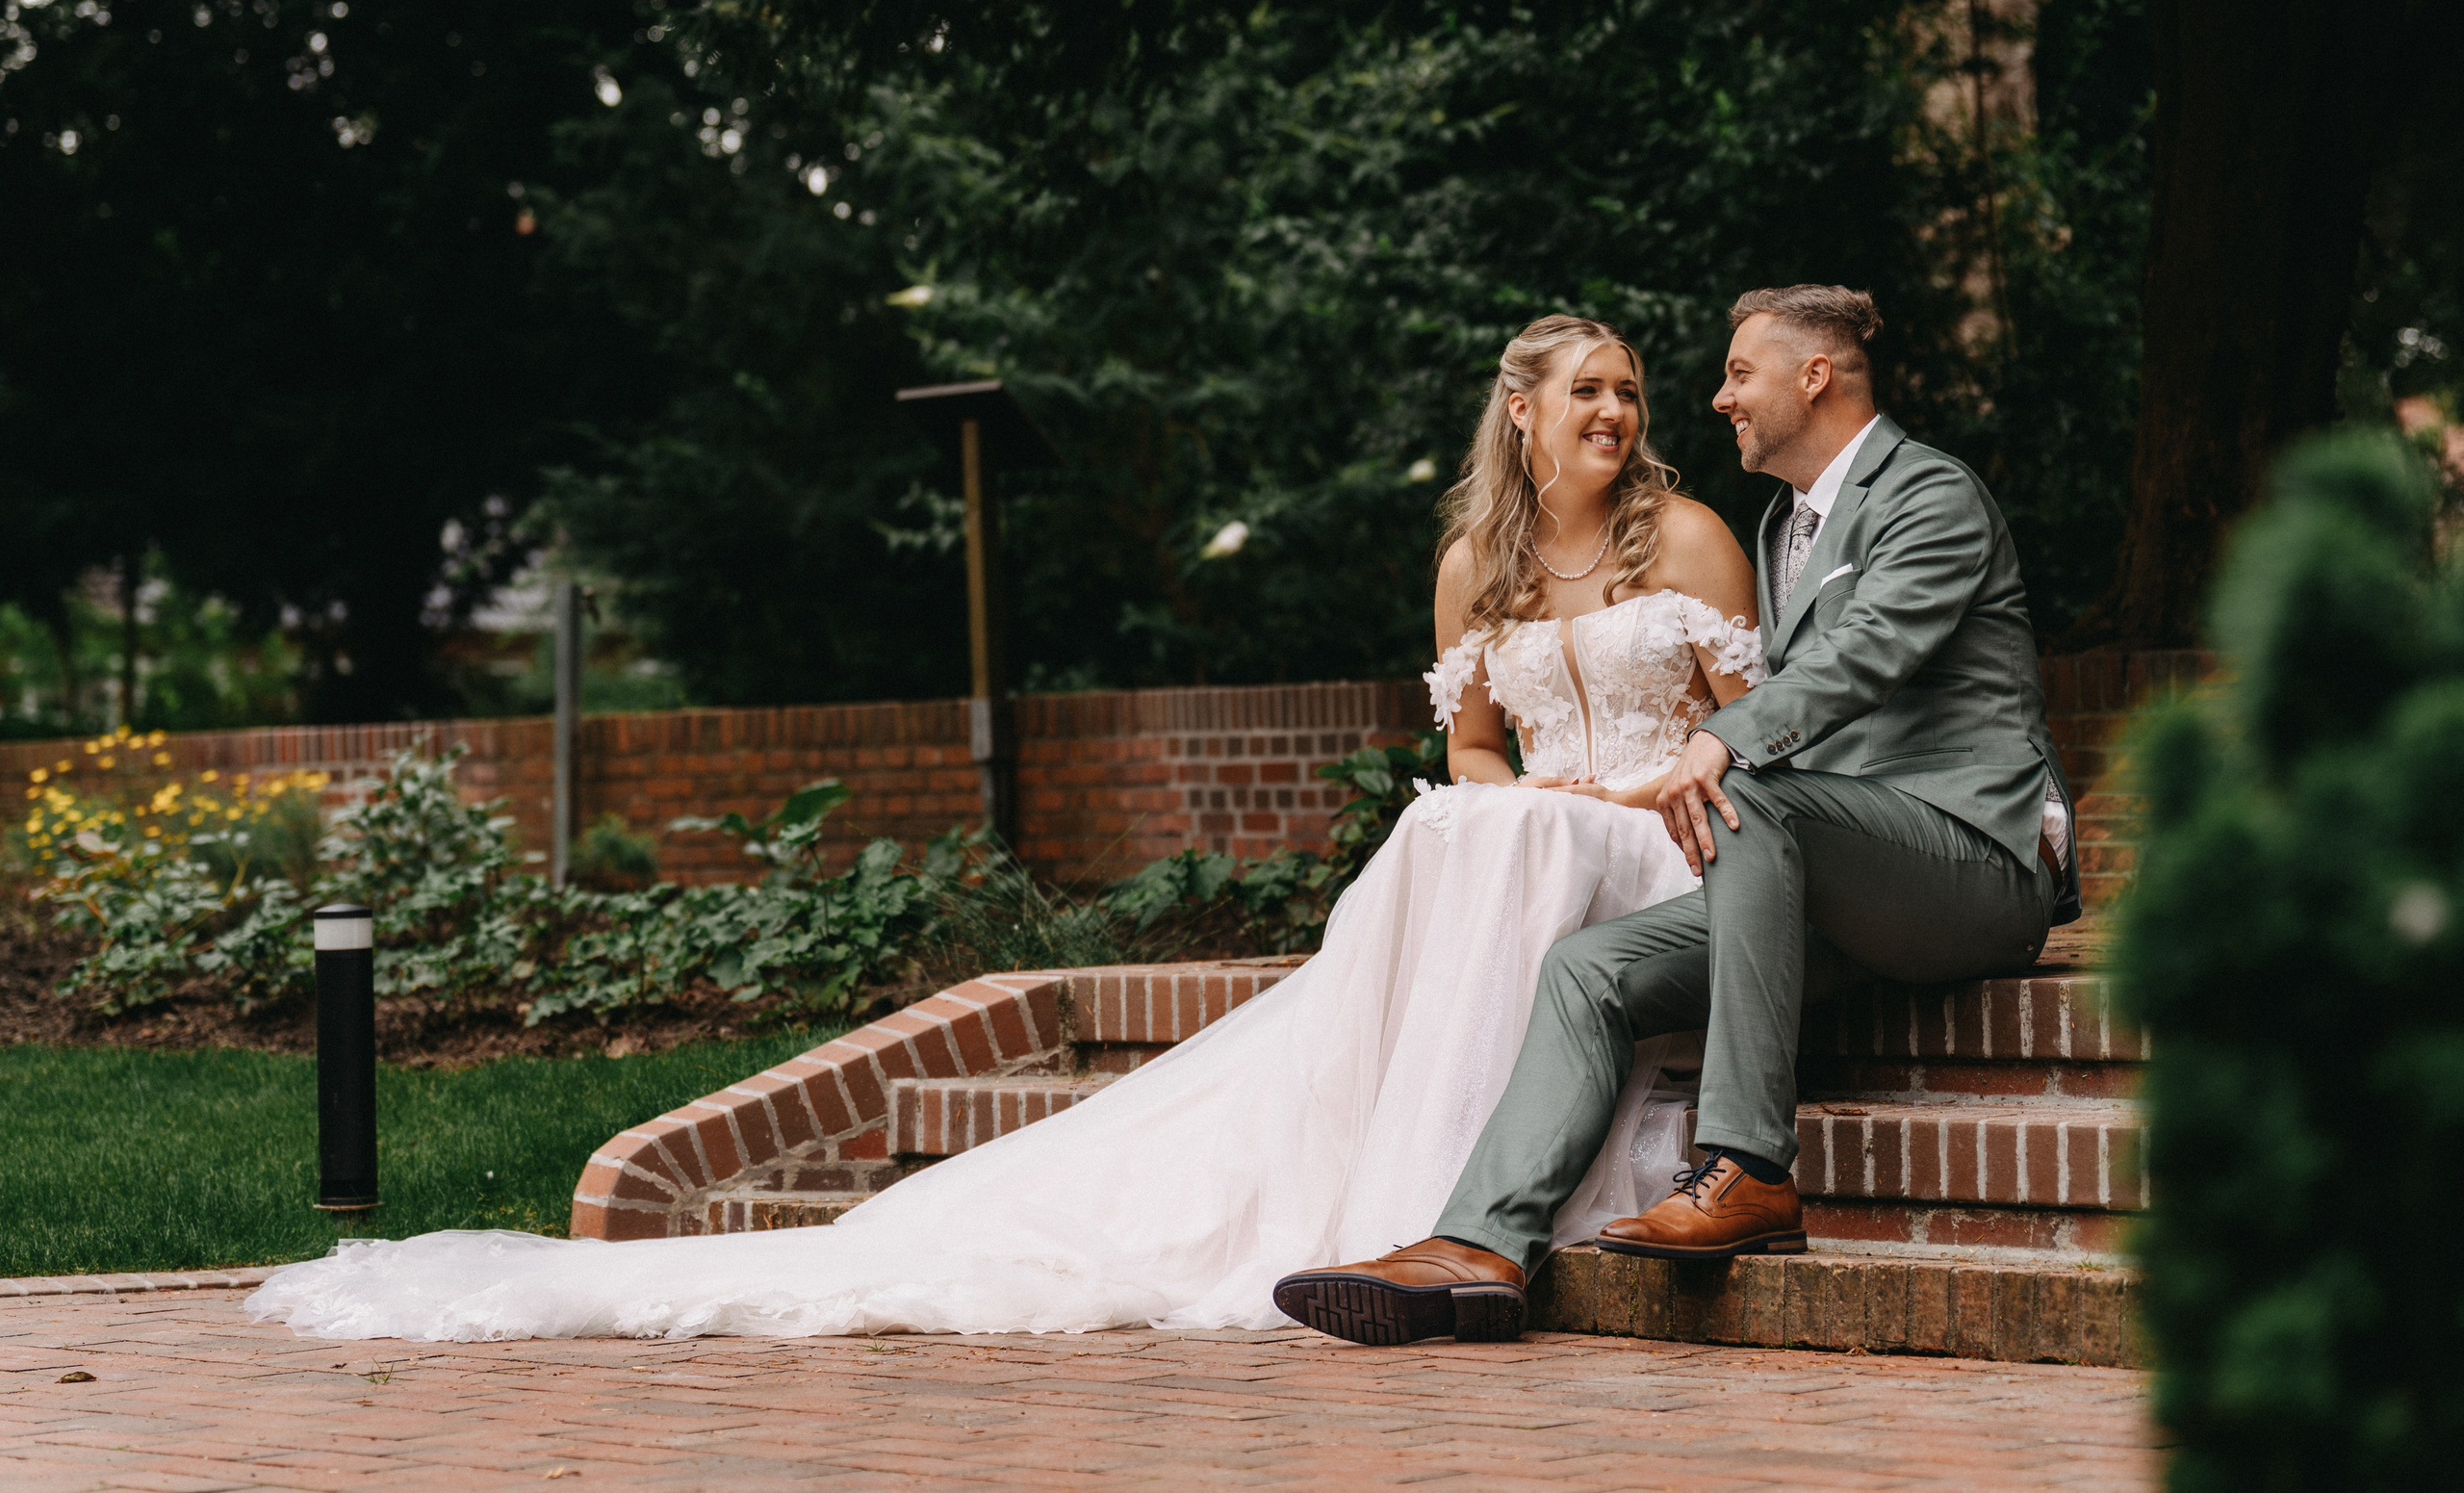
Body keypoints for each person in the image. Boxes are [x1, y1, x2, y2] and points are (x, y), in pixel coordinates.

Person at [244, 314, 1766, 1342]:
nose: (1619, 415)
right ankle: (1412, 1195)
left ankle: (1459, 1209)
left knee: (1498, 841)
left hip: (1658, 833)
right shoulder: (1470, 565)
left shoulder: (1688, 537)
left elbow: (1746, 727)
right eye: (1591, 392)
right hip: (1528, 832)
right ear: (1521, 410)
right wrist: (1525, 802)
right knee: (1459, 829)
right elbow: (1476, 753)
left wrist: (1613, 793)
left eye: (1632, 392)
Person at [1271, 284, 2082, 1348]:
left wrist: (1720, 740)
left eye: (1739, 373)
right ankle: (1480, 1245)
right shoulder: (1786, 525)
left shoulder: (1928, 494)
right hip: (1851, 878)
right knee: (1588, 969)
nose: (1716, 397)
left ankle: (1747, 1165)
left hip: (1971, 862)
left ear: (1813, 376)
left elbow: (1866, 651)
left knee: (1745, 786)